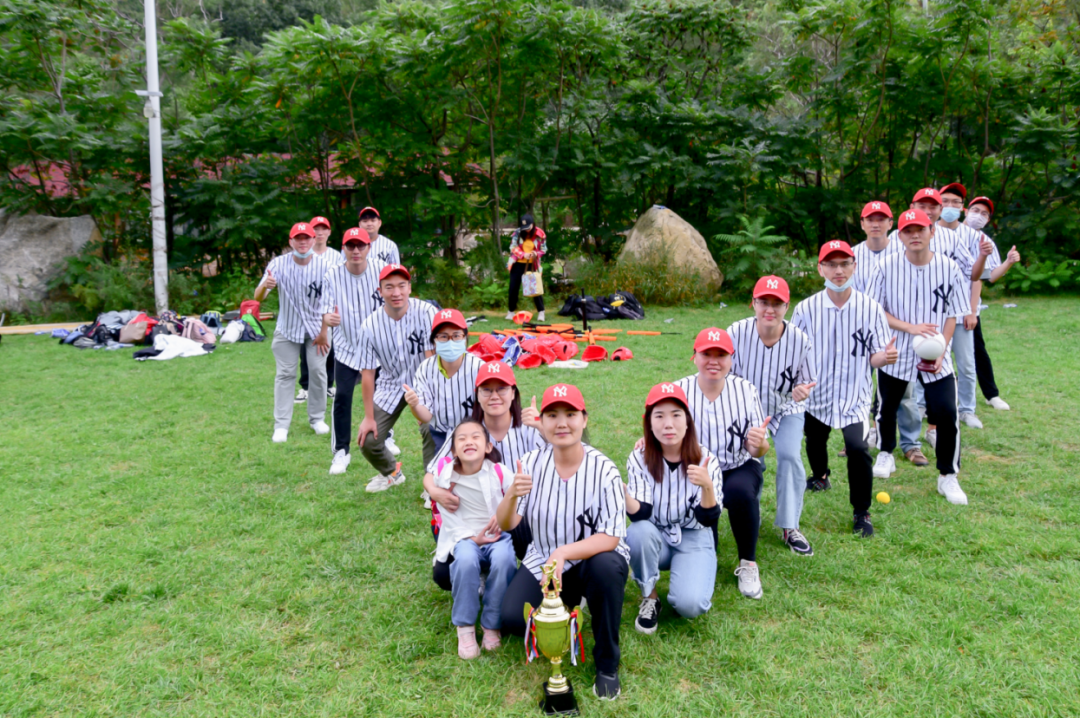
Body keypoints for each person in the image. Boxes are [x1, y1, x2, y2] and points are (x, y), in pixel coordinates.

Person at [498, 383, 629, 701]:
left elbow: (611, 536)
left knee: (607, 567)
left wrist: (564, 552)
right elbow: (507, 524)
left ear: (584, 419)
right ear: (541, 422)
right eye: (552, 415)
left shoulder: (605, 470)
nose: (561, 423)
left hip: (591, 560)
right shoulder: (531, 463)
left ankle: (607, 665)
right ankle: (570, 604)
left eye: (570, 414)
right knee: (514, 619)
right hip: (544, 559)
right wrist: (512, 494)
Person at [791, 240, 898, 537]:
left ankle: (861, 511)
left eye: (844, 264)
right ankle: (821, 476)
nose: (838, 270)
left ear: (854, 266)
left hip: (855, 397)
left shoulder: (870, 308)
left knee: (858, 449)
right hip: (817, 395)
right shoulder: (806, 308)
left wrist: (885, 357)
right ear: (820, 269)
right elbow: (794, 350)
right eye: (831, 264)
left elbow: (876, 356)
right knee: (815, 439)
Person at [868, 209, 971, 505]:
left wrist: (942, 349)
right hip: (896, 349)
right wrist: (910, 327)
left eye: (920, 229)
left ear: (932, 231)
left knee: (947, 412)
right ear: (899, 236)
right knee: (887, 409)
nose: (915, 235)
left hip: (936, 353)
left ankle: (947, 475)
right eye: (908, 231)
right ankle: (886, 453)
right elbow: (876, 311)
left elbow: (953, 314)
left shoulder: (949, 268)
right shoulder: (885, 266)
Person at [424, 361, 545, 582]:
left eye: (502, 389)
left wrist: (542, 427)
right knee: (444, 575)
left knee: (523, 529)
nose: (494, 396)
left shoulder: (529, 427)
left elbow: (561, 467)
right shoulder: (467, 431)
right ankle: (480, 568)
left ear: (513, 393)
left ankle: (534, 571)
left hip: (520, 511)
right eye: (487, 390)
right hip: (475, 517)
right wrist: (435, 492)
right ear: (477, 395)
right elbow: (431, 473)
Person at [674, 329, 771, 600]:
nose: (713, 361)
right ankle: (705, 556)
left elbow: (757, 450)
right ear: (694, 356)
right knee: (707, 540)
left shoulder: (745, 390)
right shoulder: (680, 390)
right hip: (696, 469)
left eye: (721, 355)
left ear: (731, 359)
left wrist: (759, 444)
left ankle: (748, 563)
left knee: (740, 493)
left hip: (738, 465)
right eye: (707, 354)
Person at [727, 276, 817, 556]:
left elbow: (808, 381)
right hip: (747, 410)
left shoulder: (800, 339)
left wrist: (802, 390)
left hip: (786, 407)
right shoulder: (736, 332)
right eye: (764, 302)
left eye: (777, 303)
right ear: (753, 303)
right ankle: (749, 517)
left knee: (789, 456)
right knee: (751, 461)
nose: (770, 309)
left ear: (787, 307)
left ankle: (790, 526)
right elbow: (724, 375)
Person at [625, 382, 723, 634]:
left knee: (691, 605)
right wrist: (624, 495)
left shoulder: (706, 459)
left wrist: (707, 486)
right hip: (655, 534)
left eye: (676, 415)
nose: (668, 424)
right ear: (648, 423)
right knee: (637, 532)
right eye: (659, 416)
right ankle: (650, 597)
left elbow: (708, 518)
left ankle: (690, 573)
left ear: (688, 421)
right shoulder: (639, 457)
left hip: (694, 534)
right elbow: (641, 513)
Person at [429, 420, 516, 659]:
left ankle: (491, 624)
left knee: (505, 559)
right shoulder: (445, 476)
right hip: (464, 537)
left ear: (488, 447)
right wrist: (472, 538)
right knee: (466, 560)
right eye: (462, 438)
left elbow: (517, 496)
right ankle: (465, 626)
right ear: (453, 450)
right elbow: (444, 513)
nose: (469, 441)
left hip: (497, 535)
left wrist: (503, 515)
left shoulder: (498, 471)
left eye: (476, 437)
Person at [851, 201, 927, 469]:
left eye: (881, 219)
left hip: (895, 331)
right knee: (857, 386)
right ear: (862, 223)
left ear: (891, 224)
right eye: (870, 219)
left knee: (904, 392)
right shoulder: (852, 255)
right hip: (858, 329)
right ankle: (858, 437)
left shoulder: (903, 251)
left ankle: (910, 443)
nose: (876, 223)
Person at [356, 264, 435, 492]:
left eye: (401, 285)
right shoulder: (370, 325)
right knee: (368, 439)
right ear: (380, 291)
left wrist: (428, 399)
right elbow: (367, 373)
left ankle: (433, 484)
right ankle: (392, 472)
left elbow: (431, 357)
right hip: (390, 383)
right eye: (389, 287)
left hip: (423, 381)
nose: (396, 292)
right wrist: (368, 417)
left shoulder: (427, 312)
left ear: (409, 287)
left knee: (432, 427)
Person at [314, 227, 385, 475]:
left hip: (378, 347)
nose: (356, 250)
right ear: (343, 248)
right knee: (343, 397)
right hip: (346, 347)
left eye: (360, 245)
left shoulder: (381, 270)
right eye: (350, 246)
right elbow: (325, 309)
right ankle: (341, 452)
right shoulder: (332, 274)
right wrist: (327, 320)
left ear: (368, 247)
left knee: (382, 396)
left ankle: (387, 437)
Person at [254, 222, 333, 443]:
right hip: (287, 328)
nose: (302, 242)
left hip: (317, 329)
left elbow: (331, 303)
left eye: (306, 238)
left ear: (313, 240)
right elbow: (258, 297)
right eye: (298, 238)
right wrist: (266, 285)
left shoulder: (326, 266)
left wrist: (324, 331)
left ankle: (317, 418)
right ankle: (281, 425)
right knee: (285, 374)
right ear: (291, 242)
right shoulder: (278, 264)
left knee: (317, 372)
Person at [935, 183, 996, 430]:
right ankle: (924, 406)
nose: (950, 206)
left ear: (962, 207)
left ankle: (967, 410)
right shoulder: (926, 232)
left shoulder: (972, 236)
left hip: (961, 310)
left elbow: (976, 276)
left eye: (955, 202)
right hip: (933, 309)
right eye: (945, 201)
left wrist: (972, 310)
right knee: (929, 359)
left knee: (967, 363)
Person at [404, 308, 485, 471]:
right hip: (440, 432)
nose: (450, 341)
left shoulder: (479, 367)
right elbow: (426, 416)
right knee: (436, 478)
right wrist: (414, 405)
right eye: (443, 336)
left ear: (465, 338)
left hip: (474, 434)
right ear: (434, 341)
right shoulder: (425, 368)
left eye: (456, 335)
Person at [964, 196, 1022, 411]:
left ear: (988, 220)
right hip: (938, 306)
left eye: (984, 214)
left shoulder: (985, 242)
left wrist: (1008, 261)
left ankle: (991, 395)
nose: (978, 216)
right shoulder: (944, 234)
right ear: (966, 210)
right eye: (975, 210)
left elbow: (989, 277)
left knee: (978, 352)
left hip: (969, 307)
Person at [297, 216, 343, 404]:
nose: (320, 232)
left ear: (329, 232)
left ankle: (329, 385)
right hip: (308, 309)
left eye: (324, 228)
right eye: (316, 228)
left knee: (329, 349)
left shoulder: (336, 256)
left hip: (330, 308)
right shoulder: (303, 254)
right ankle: (306, 386)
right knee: (305, 349)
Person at [505, 213, 546, 322]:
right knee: (513, 288)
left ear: (533, 224)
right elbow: (513, 247)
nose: (526, 230)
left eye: (528, 227)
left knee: (535, 288)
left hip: (532, 264)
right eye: (524, 228)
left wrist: (535, 253)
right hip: (517, 263)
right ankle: (511, 311)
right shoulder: (517, 233)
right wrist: (523, 254)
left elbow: (544, 249)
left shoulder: (540, 234)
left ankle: (541, 312)